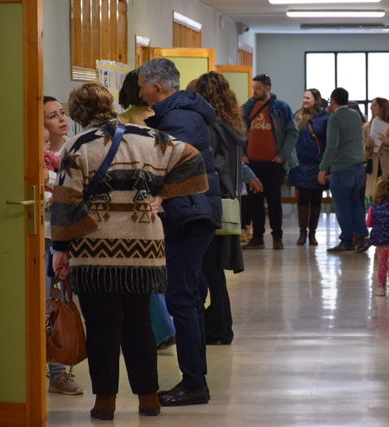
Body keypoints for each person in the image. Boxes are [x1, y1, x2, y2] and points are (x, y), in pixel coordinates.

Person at [51, 82, 209, 420]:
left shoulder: (78, 145)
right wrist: (163, 194)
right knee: (139, 323)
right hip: (144, 244)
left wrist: (60, 248)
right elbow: (193, 159)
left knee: (102, 325)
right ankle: (148, 398)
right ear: (109, 104)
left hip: (95, 250)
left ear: (78, 113)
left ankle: (105, 401)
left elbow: (66, 201)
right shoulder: (150, 137)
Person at [138, 58, 219, 406]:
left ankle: (194, 382)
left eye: (141, 85)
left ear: (157, 87)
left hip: (188, 214)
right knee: (189, 298)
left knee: (182, 299)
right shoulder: (181, 111)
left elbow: (173, 165)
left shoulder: (179, 117)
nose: (139, 92)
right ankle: (194, 377)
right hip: (194, 211)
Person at [194, 71, 262, 345]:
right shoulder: (231, 125)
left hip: (210, 201)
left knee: (207, 269)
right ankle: (220, 326)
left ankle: (218, 327)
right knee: (214, 270)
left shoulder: (208, 128)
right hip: (227, 201)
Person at [118, 69, 175, 351]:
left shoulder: (119, 123)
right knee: (156, 268)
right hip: (157, 198)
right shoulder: (160, 119)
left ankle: (160, 327)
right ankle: (164, 325)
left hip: (128, 201)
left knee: (137, 270)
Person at [42, 96, 84, 396]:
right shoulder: (34, 155)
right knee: (46, 304)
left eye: (61, 113)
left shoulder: (73, 150)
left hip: (63, 238)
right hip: (41, 236)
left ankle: (59, 369)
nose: (60, 120)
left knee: (59, 303)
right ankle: (51, 369)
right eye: (52, 116)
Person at [241, 74, 298, 250]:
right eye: (253, 87)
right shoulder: (246, 108)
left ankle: (277, 237)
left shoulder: (281, 108)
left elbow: (292, 132)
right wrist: (242, 153)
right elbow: (238, 131)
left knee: (274, 201)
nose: (254, 91)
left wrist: (282, 155)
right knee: (254, 202)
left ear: (268, 88)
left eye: (258, 88)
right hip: (252, 164)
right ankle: (257, 237)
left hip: (274, 163)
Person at [318, 87, 369, 253]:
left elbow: (332, 146)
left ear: (332, 101)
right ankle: (362, 236)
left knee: (342, 206)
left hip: (342, 168)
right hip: (359, 167)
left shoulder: (334, 119)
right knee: (356, 204)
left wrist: (323, 169)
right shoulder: (356, 115)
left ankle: (346, 240)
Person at [288, 88, 330, 246]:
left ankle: (312, 233)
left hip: (318, 164)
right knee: (302, 199)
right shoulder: (297, 116)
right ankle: (302, 233)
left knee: (316, 199)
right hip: (300, 163)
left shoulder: (325, 118)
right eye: (304, 97)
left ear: (316, 100)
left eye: (308, 98)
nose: (305, 100)